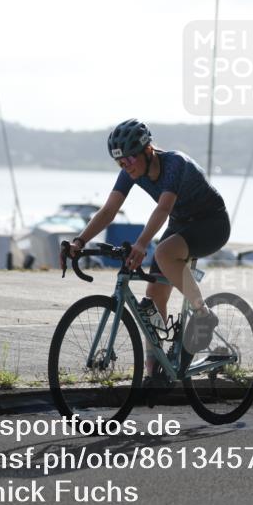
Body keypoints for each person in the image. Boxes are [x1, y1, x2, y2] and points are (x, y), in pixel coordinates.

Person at [68, 118, 230, 384]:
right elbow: (109, 210)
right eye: (120, 163)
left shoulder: (175, 164)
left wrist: (142, 243)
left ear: (147, 150)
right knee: (154, 296)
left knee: (164, 253)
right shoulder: (130, 172)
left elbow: (163, 208)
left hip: (211, 223)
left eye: (130, 159)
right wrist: (80, 241)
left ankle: (203, 315)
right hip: (182, 225)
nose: (126, 166)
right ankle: (155, 370)